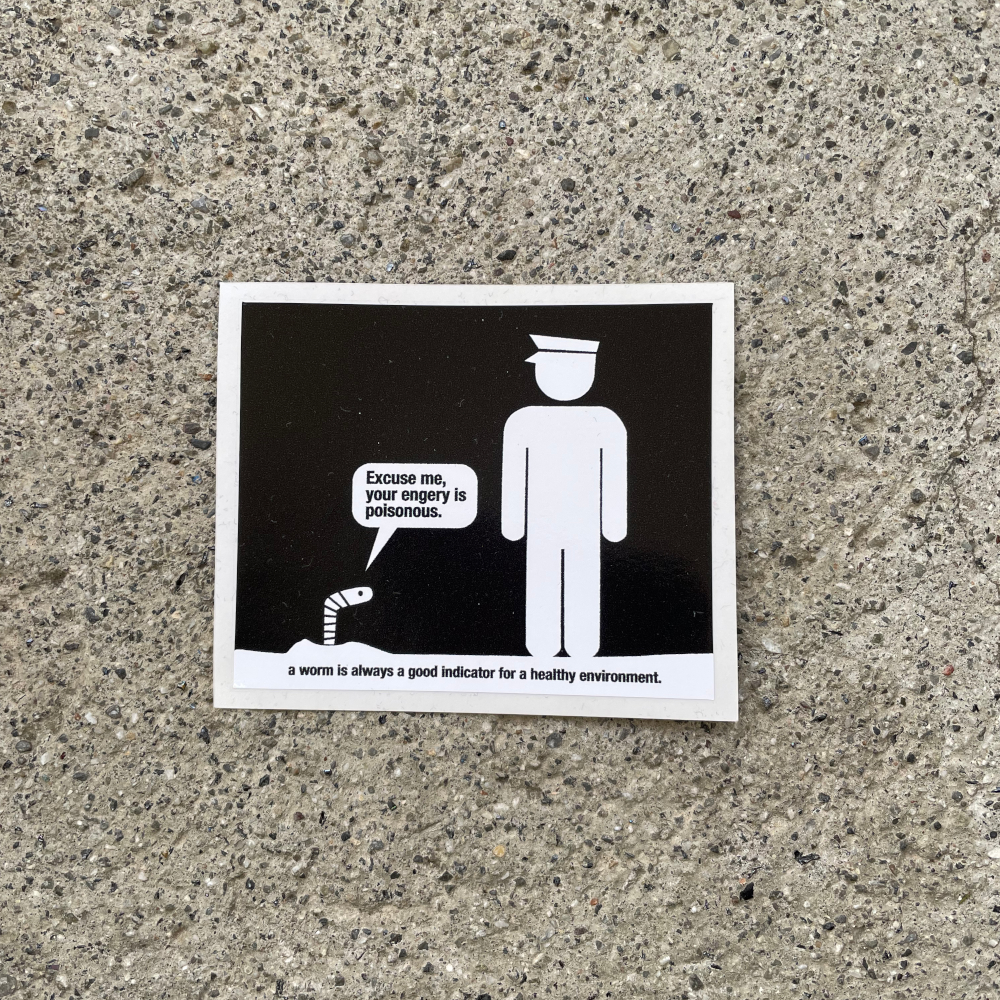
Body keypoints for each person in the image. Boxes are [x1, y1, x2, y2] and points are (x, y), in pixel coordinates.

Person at [502, 335, 627, 657]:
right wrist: (513, 521)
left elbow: (614, 473)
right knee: (542, 575)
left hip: (583, 522)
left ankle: (582, 644)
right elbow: (514, 474)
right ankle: (542, 644)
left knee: (582, 575)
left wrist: (614, 523)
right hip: (543, 522)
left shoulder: (606, 422)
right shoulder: (522, 421)